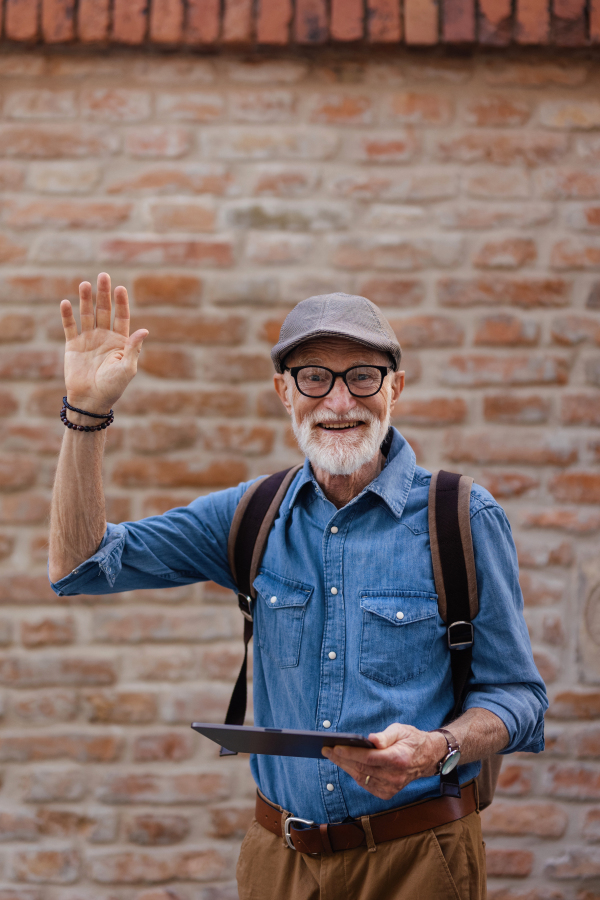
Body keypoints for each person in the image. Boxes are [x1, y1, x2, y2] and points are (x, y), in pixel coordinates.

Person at [49, 274, 547, 900]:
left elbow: (520, 699)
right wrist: (86, 414)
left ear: (395, 387)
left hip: (420, 859)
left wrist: (440, 746)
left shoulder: (461, 518)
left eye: (362, 376)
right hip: (278, 863)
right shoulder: (250, 514)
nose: (339, 403)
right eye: (314, 377)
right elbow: (80, 567)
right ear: (284, 391)